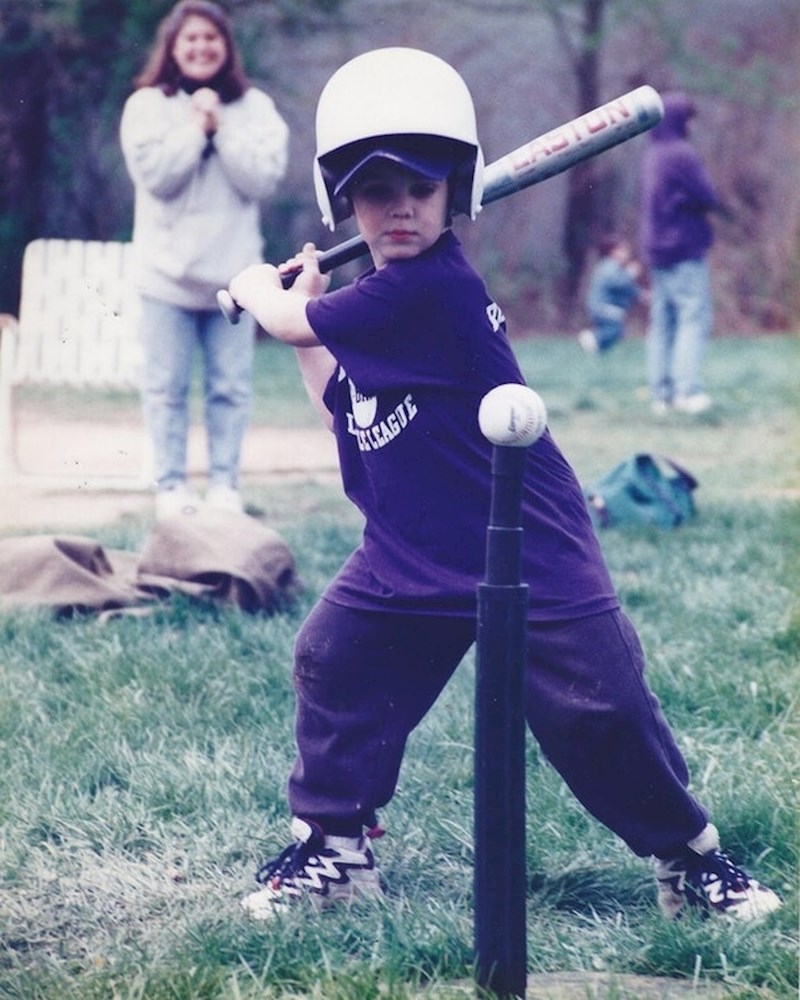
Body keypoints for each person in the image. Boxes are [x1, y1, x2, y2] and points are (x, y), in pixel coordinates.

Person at [226, 48, 781, 923]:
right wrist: (304, 325)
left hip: (522, 544)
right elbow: (341, 401)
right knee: (334, 661)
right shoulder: (379, 309)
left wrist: (266, 291)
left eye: (421, 187)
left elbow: (291, 316)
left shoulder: (429, 288)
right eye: (376, 193)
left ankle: (694, 860)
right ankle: (334, 850)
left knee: (600, 706)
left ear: (458, 192)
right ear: (347, 204)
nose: (400, 208)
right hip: (411, 549)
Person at [120, 0, 289, 517]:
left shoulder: (256, 106)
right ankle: (170, 488)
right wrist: (195, 130)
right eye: (190, 38)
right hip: (164, 277)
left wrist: (221, 129)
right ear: (172, 47)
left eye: (211, 38)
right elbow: (158, 179)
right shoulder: (146, 104)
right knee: (166, 389)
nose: (201, 47)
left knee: (230, 390)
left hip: (234, 280)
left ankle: (224, 487)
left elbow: (262, 179)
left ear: (226, 47)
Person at [639, 91, 720, 415]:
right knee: (692, 317)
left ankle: (662, 395)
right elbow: (708, 196)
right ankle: (688, 392)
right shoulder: (681, 154)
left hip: (655, 249)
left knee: (663, 321)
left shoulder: (653, 153)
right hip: (683, 246)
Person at [578, 233, 643, 354]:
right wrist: (630, 274)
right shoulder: (609, 266)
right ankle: (590, 338)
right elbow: (618, 284)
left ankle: (596, 350)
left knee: (614, 331)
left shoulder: (615, 267)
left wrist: (640, 294)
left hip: (605, 307)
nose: (627, 253)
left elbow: (627, 288)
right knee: (616, 330)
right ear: (613, 252)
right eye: (623, 250)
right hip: (603, 307)